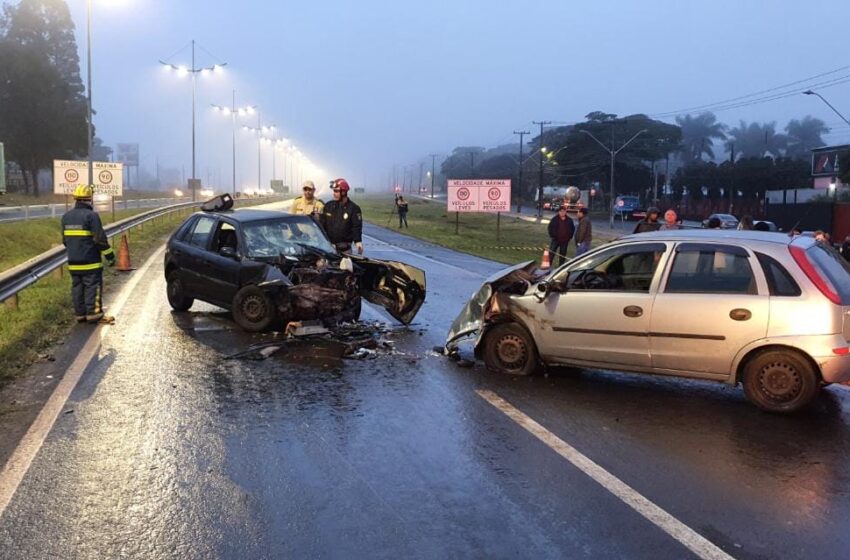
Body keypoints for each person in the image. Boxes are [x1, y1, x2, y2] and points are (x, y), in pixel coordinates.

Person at [61, 184, 115, 323]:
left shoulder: (66, 217)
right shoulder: (91, 216)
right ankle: (94, 314)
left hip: (73, 262)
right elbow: (99, 239)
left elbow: (65, 240)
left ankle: (80, 315)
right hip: (90, 262)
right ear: (89, 199)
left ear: (76, 199)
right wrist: (110, 256)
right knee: (93, 287)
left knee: (77, 288)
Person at [320, 178, 364, 254]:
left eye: (336, 191)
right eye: (334, 191)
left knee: (346, 265)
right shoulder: (328, 206)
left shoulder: (353, 208)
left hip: (345, 249)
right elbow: (322, 224)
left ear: (343, 192)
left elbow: (356, 226)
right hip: (329, 248)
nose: (334, 193)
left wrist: (358, 241)